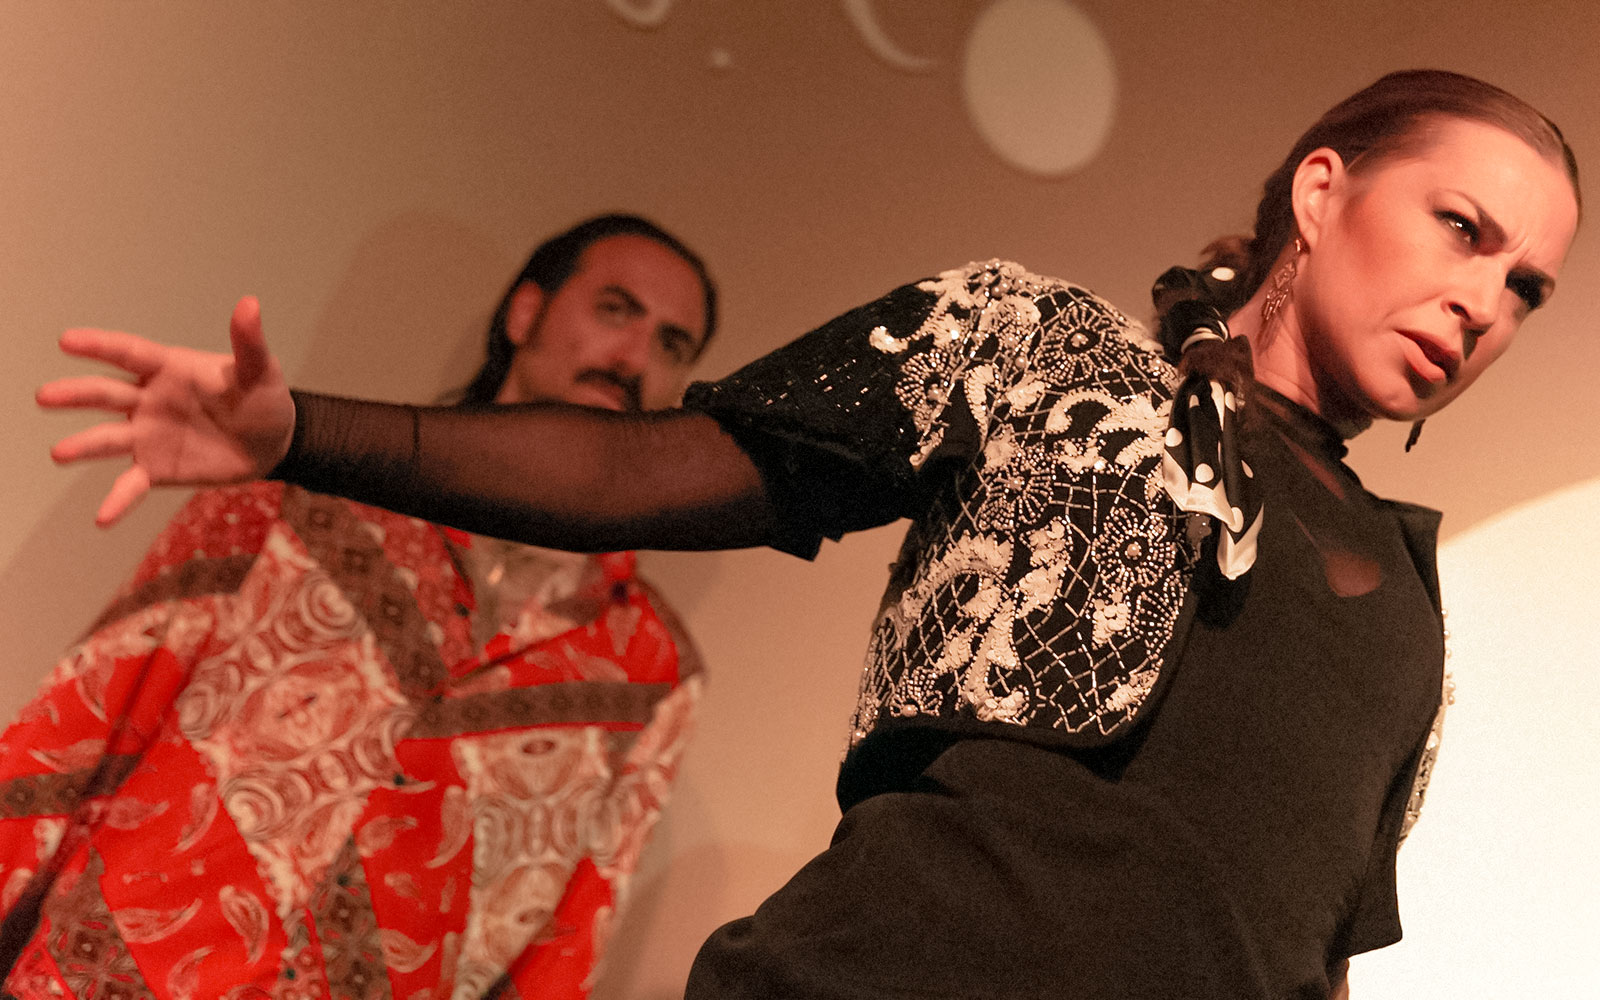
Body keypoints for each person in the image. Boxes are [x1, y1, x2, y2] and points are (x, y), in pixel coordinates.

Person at [34, 70, 1582, 999]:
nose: (1486, 301)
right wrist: (299, 430)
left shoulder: (1408, 604)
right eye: (1464, 229)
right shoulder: (1038, 349)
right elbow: (653, 471)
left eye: (1527, 287)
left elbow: (1306, 952)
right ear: (1324, 191)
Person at [3, 214, 719, 999]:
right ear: (525, 314)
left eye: (673, 344)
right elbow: (74, 731)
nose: (634, 357)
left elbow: (570, 941)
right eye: (615, 309)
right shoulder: (296, 500)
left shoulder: (651, 667)